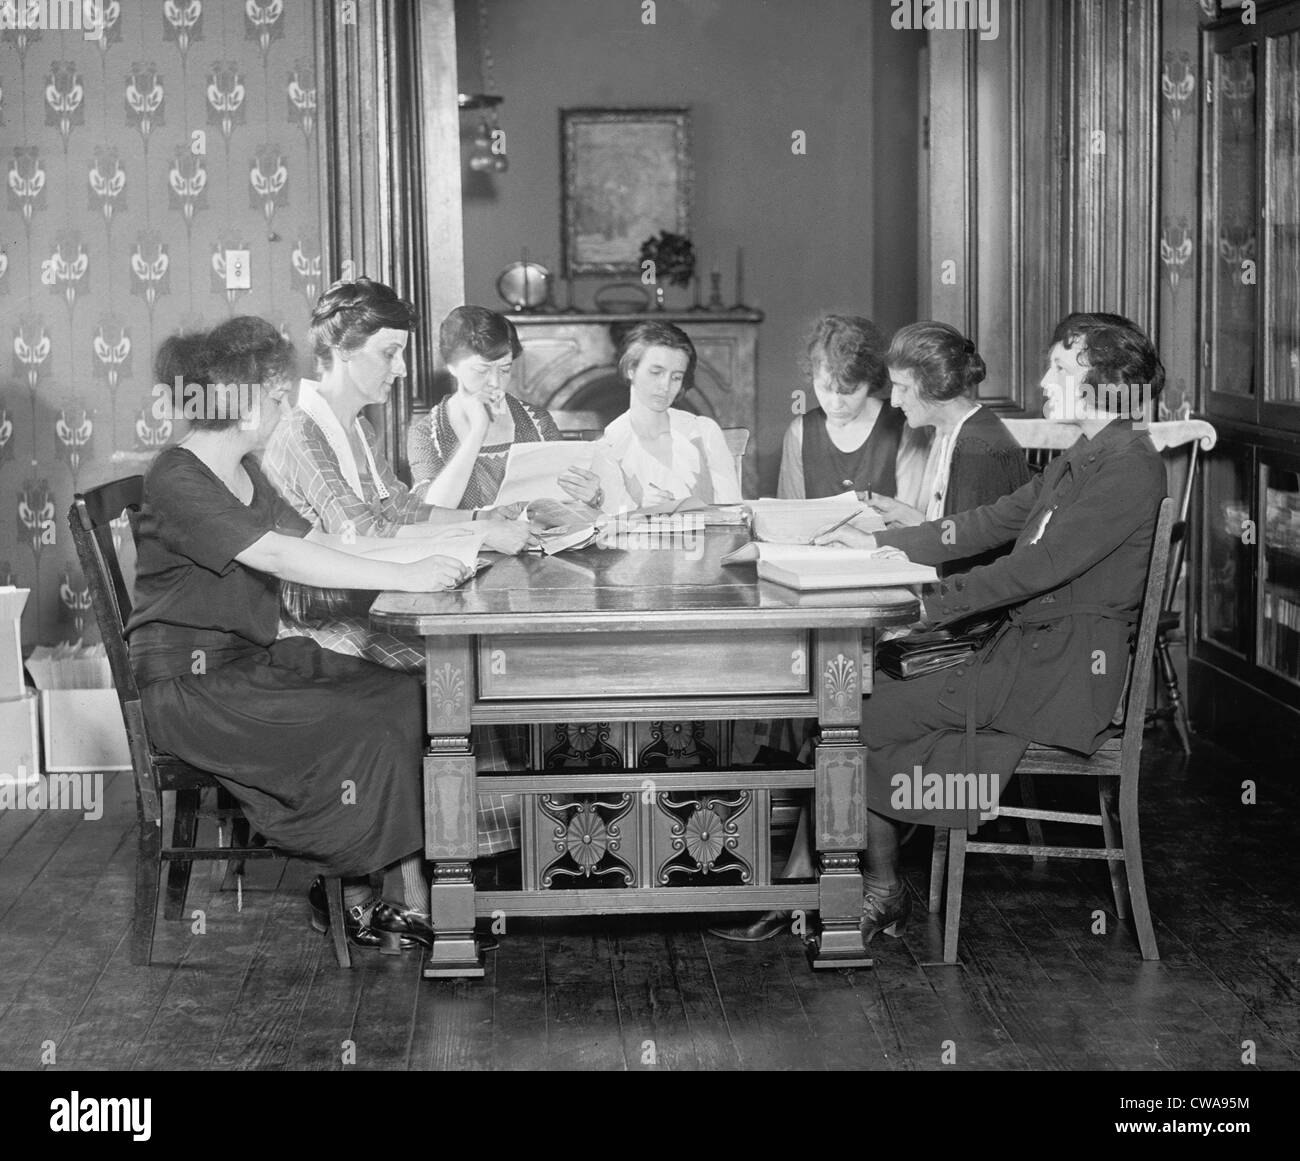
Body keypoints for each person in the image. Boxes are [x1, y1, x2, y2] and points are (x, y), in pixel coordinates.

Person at [814, 312, 1168, 942]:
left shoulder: (1128, 466)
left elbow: (1039, 567)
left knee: (852, 721)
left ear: (1108, 380)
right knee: (863, 710)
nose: (1043, 380)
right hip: (1030, 656)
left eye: (1060, 367)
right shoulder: (1087, 454)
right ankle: (881, 885)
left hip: (1061, 676)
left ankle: (877, 891)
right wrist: (887, 541)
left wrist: (931, 604)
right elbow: (990, 521)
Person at [128, 317, 467, 953]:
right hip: (187, 687)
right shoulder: (177, 477)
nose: (287, 405)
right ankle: (359, 897)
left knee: (402, 695)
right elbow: (282, 559)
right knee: (366, 719)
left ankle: (383, 894)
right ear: (242, 397)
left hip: (248, 664)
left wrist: (451, 541)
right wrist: (406, 570)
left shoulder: (249, 471)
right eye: (280, 394)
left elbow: (327, 542)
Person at [262, 280, 530, 858]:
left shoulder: (355, 425)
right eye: (389, 353)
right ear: (338, 351)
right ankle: (448, 863)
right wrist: (479, 532)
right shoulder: (302, 432)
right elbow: (360, 537)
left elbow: (399, 508)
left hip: (363, 606)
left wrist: (481, 516)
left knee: (480, 656)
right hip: (319, 625)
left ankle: (492, 850)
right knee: (459, 668)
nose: (402, 368)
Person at [407, 305, 620, 511]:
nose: (495, 382)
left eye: (505, 369)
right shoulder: (428, 433)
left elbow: (563, 502)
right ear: (452, 366)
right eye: (481, 370)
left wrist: (591, 497)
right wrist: (477, 432)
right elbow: (433, 512)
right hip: (462, 547)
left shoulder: (536, 422)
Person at [868, 322, 1029, 572]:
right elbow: (959, 533)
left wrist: (874, 542)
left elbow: (970, 554)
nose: (895, 401)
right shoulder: (953, 432)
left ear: (936, 385)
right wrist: (910, 517)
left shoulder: (975, 448)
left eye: (903, 388)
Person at [776, 314, 928, 506]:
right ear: (812, 376)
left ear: (870, 379)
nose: (836, 403)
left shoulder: (904, 426)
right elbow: (789, 516)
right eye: (825, 388)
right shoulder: (799, 432)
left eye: (850, 391)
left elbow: (911, 522)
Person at [600, 321, 742, 506]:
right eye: (656, 372)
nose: (665, 386)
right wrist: (638, 511)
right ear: (631, 370)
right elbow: (609, 527)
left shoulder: (704, 431)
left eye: (676, 377)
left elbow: (733, 512)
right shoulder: (610, 445)